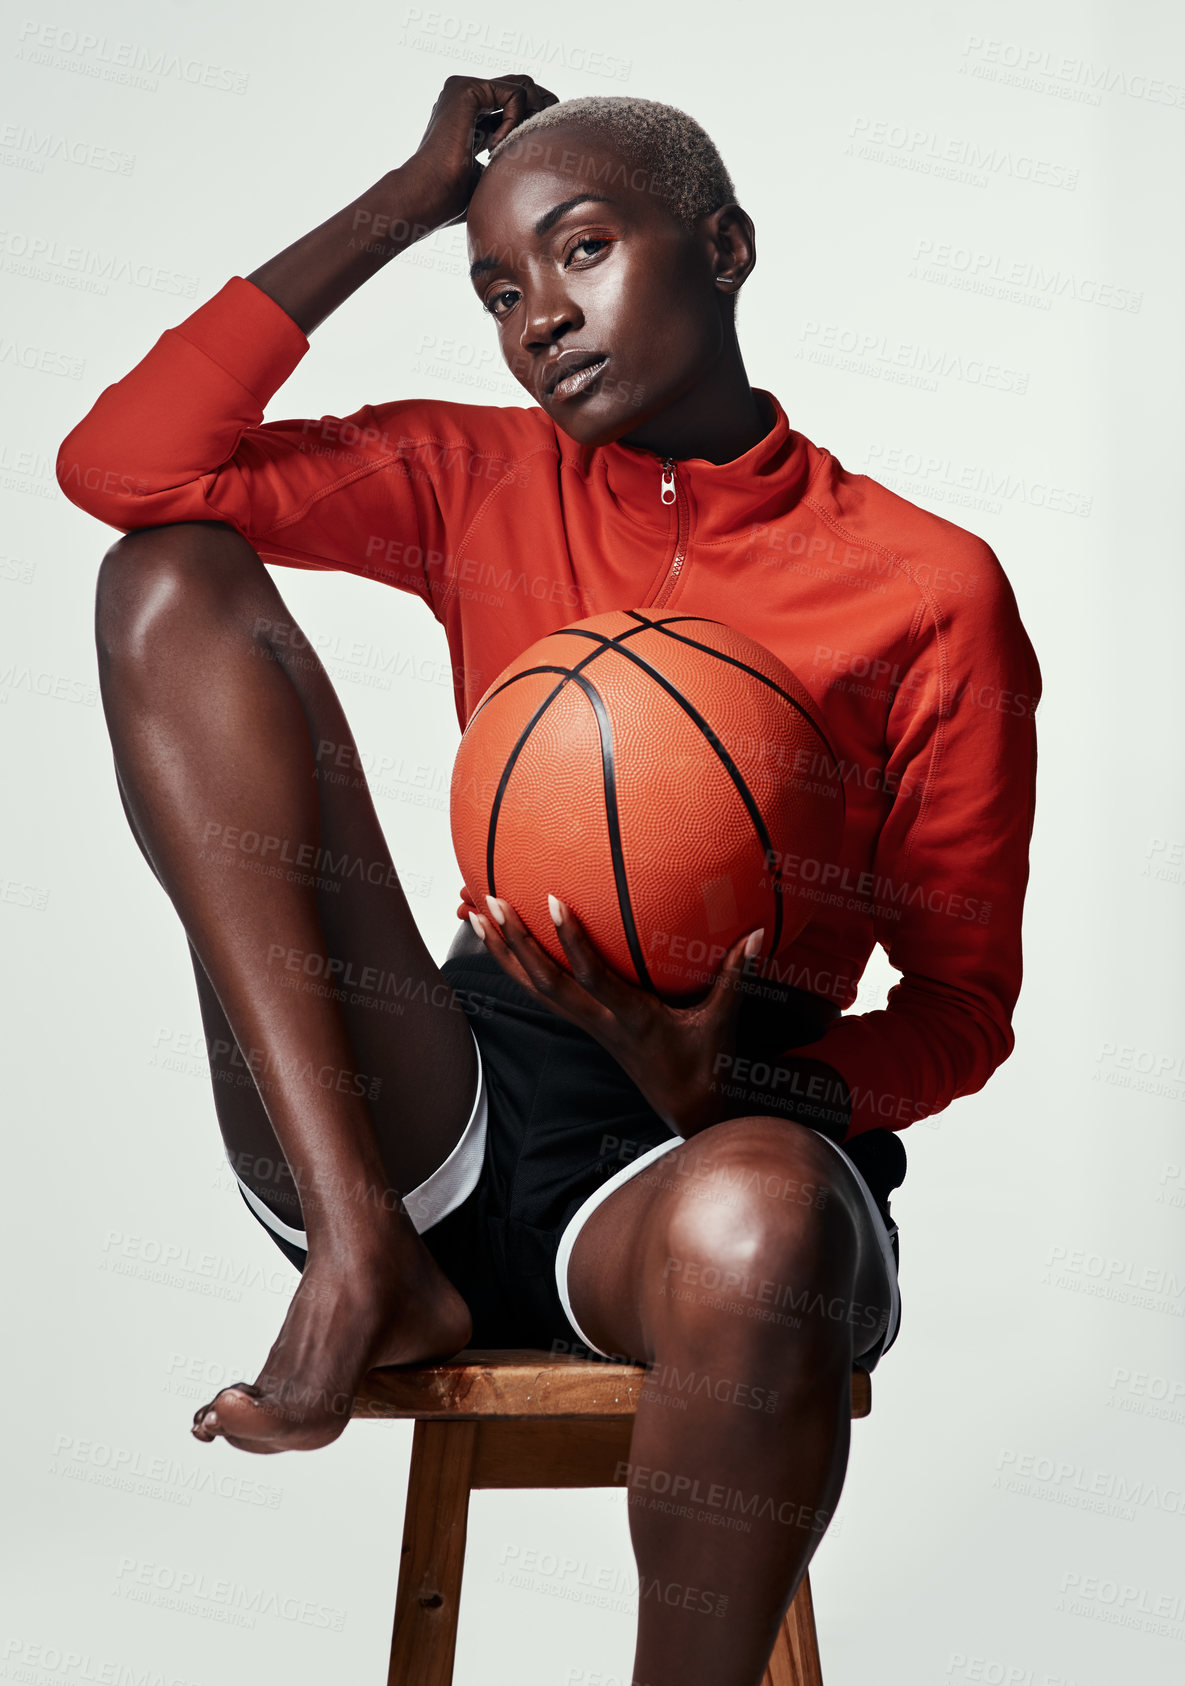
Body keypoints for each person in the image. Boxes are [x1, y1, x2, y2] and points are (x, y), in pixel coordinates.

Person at [57, 76, 1041, 1686]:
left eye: (582, 251)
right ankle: (364, 1255)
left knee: (763, 1216)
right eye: (499, 290)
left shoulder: (925, 589)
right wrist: (398, 200)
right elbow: (121, 467)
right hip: (432, 1099)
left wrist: (731, 1076)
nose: (540, 319)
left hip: (697, 1155)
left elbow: (960, 1011)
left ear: (722, 248)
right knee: (165, 578)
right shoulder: (480, 477)